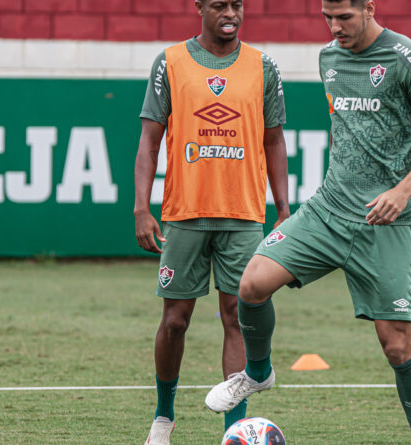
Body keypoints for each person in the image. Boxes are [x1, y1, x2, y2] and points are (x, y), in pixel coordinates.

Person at [203, 1, 411, 443]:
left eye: (344, 17)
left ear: (369, 8)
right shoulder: (330, 57)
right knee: (252, 284)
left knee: (398, 346)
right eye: (328, 17)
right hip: (328, 210)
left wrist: (402, 192)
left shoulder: (409, 58)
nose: (334, 27)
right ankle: (258, 373)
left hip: (387, 223)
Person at [134, 0, 289, 443]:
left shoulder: (264, 66)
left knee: (236, 316)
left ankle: (234, 430)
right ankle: (164, 417)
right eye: (220, 4)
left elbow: (274, 140)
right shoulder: (170, 62)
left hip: (243, 215)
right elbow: (149, 141)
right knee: (175, 320)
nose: (231, 13)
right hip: (184, 213)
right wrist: (141, 207)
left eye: (237, 5)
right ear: (199, 6)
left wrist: (283, 209)